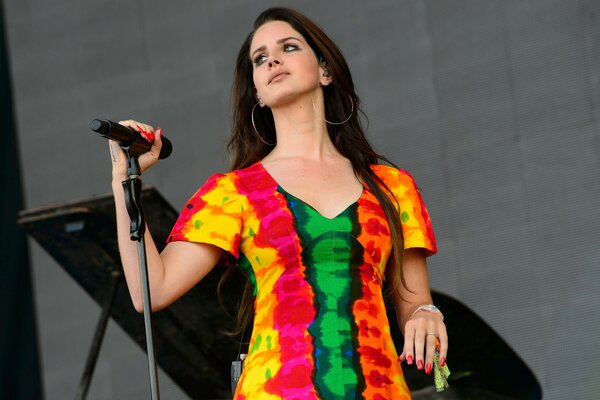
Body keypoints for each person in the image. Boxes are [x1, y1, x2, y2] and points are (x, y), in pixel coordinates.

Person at [109, 7, 448, 399]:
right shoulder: (235, 192)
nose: (272, 60)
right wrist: (123, 178)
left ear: (326, 71)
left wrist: (426, 315)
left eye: (288, 47)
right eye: (260, 58)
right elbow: (153, 290)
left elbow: (415, 303)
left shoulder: (392, 187)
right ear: (258, 92)